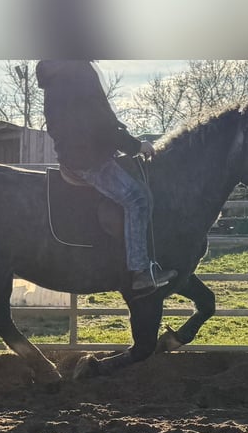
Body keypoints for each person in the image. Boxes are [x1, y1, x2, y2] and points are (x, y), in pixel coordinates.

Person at [36, 60, 177, 293]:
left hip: (76, 153)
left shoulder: (56, 72)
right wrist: (134, 146)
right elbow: (100, 122)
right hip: (89, 158)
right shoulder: (78, 69)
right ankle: (140, 271)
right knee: (137, 198)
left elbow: (92, 120)